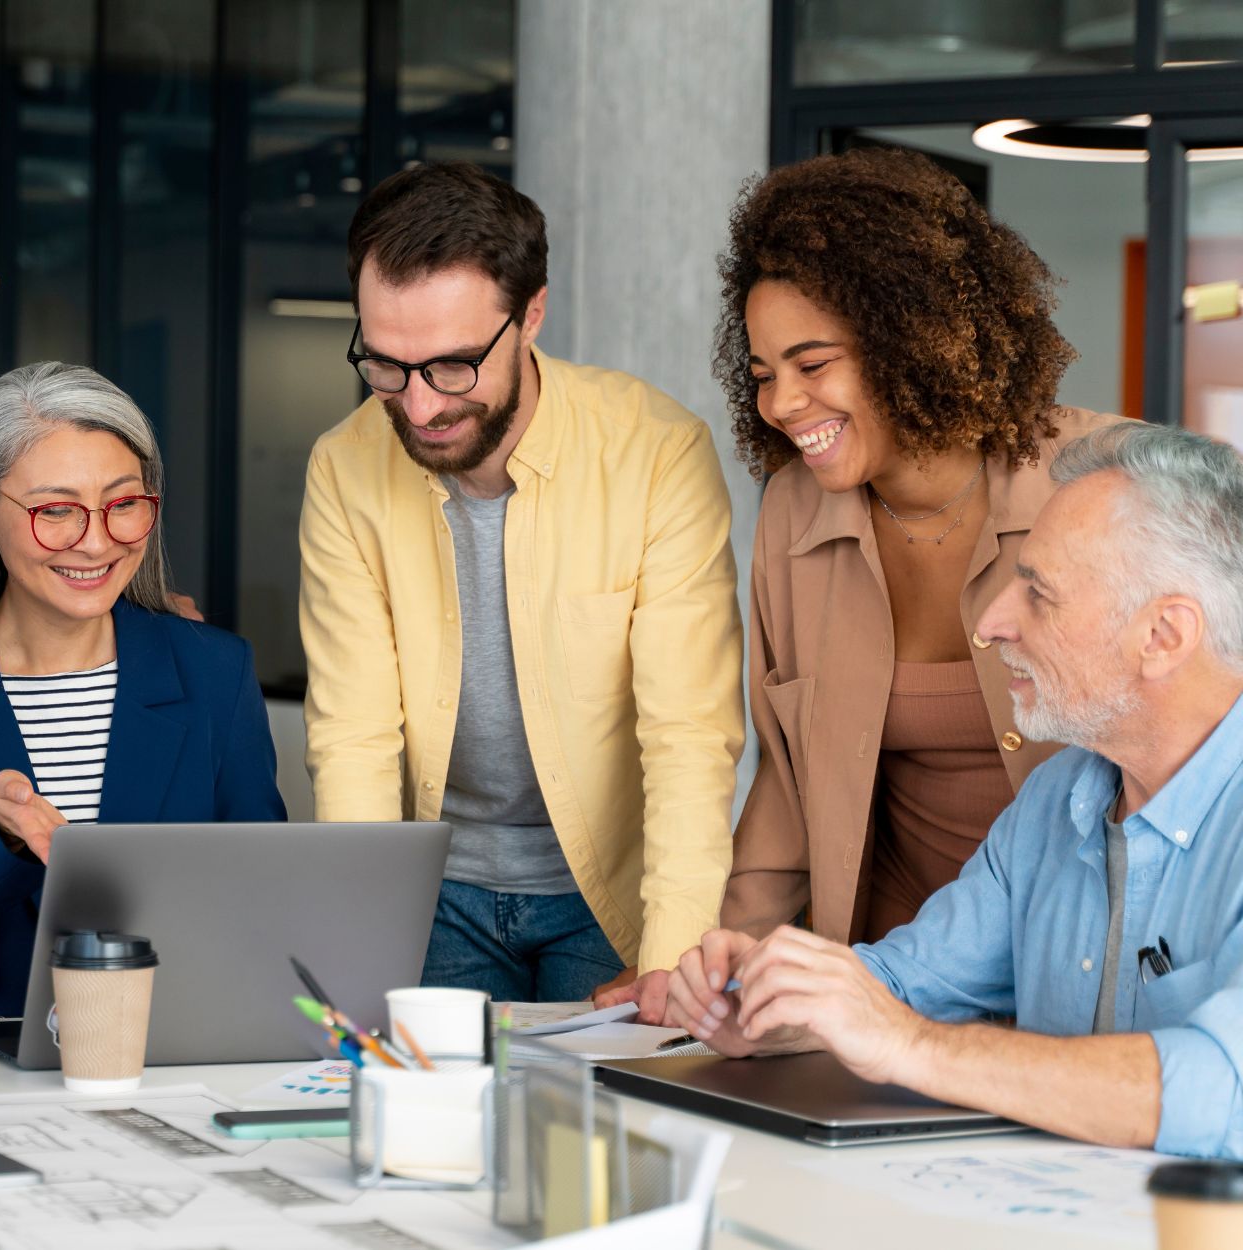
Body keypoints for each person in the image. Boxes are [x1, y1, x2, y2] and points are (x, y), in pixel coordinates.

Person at [602, 147, 1121, 1020]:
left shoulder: (1104, 485)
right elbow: (790, 783)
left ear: (911, 338)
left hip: (1082, 979)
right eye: (764, 375)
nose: (781, 403)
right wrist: (702, 967)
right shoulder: (792, 516)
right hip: (886, 985)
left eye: (813, 365)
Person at [667, 422, 1243, 1159]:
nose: (993, 623)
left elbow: (1225, 1090)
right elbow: (907, 983)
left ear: (1164, 635)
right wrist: (772, 1002)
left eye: (1040, 594)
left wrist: (907, 1043)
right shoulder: (1057, 798)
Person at [299, 162, 744, 1008]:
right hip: (436, 898)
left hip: (607, 897)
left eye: (453, 367)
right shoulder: (345, 467)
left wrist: (671, 956)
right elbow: (353, 738)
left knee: (593, 1128)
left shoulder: (657, 454)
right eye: (386, 366)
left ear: (531, 314)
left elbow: (689, 734)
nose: (419, 407)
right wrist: (359, 946)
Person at [0, 363, 285, 1017]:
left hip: (161, 1052)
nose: (96, 542)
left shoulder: (215, 673)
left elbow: (264, 903)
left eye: (123, 504)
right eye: (57, 511)